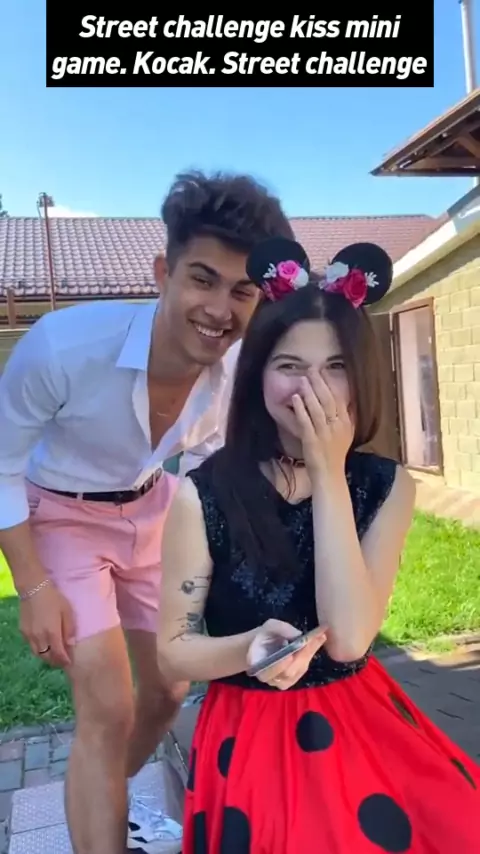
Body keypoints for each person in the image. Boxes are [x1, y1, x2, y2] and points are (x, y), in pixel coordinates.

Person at [0, 172, 294, 854]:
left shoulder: (238, 372)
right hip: (60, 516)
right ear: (163, 272)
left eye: (241, 291)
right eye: (202, 279)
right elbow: (1, 463)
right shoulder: (63, 346)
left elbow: (208, 469)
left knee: (168, 689)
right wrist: (33, 588)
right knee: (107, 708)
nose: (219, 309)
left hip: (152, 508)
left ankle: (104, 791)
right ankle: (98, 806)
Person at [156, 235, 480, 853]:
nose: (314, 388)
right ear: (257, 376)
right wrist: (249, 649)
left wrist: (329, 471)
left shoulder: (385, 485)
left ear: (360, 377)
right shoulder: (205, 493)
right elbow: (174, 650)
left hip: (358, 716)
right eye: (289, 367)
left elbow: (350, 638)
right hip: (248, 728)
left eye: (335, 367)